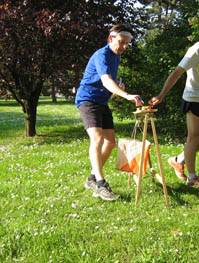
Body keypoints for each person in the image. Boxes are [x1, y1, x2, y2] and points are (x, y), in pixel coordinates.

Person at [148, 20, 199, 187]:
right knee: (194, 137)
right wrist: (161, 95)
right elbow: (177, 72)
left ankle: (178, 159)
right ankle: (192, 176)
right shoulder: (196, 51)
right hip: (192, 98)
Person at [75, 24, 143, 201]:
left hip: (101, 101)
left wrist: (117, 90)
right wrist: (125, 94)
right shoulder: (101, 55)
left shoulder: (115, 57)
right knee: (97, 139)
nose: (124, 47)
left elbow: (109, 83)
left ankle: (91, 177)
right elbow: (105, 80)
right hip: (87, 99)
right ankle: (99, 183)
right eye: (121, 42)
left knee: (110, 142)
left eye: (127, 44)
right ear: (110, 39)